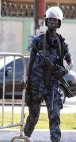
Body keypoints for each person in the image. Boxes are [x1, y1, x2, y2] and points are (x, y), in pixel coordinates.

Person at [23, 6, 73, 142]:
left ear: (59, 23)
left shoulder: (61, 43)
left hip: (52, 87)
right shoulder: (37, 41)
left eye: (54, 20)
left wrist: (65, 70)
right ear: (46, 21)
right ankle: (25, 138)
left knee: (54, 117)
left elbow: (71, 62)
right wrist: (26, 80)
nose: (52, 22)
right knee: (33, 117)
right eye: (49, 19)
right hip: (35, 85)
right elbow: (30, 63)